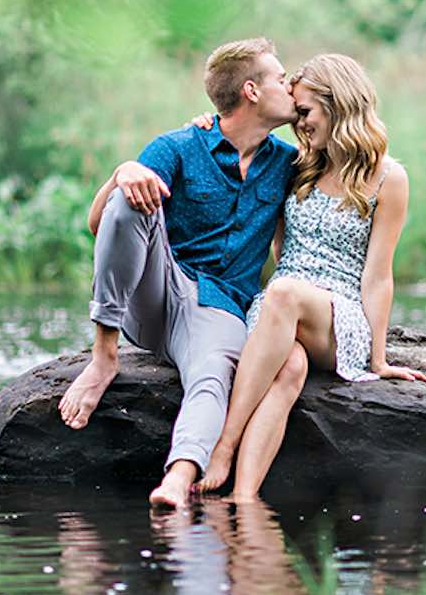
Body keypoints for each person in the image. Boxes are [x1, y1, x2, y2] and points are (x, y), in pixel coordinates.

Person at [57, 37, 299, 510]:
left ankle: (178, 478)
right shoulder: (179, 145)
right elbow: (100, 224)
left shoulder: (287, 165)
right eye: (280, 77)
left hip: (220, 307)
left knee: (211, 377)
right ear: (251, 90)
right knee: (130, 195)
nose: (289, 85)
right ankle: (104, 357)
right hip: (156, 293)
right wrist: (121, 172)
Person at [195, 53, 426, 501]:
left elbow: (379, 277)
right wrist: (209, 122)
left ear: (338, 104)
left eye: (305, 112)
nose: (299, 124)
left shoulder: (388, 178)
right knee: (290, 368)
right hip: (282, 312)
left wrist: (378, 360)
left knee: (283, 293)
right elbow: (239, 132)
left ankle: (223, 445)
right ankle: (242, 500)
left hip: (338, 318)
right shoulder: (296, 165)